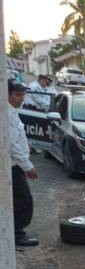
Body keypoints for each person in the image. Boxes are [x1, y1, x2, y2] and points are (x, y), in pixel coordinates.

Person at [8, 79, 39, 247]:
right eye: (17, 95)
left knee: (19, 201)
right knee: (24, 201)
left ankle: (14, 232)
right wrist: (28, 166)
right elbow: (12, 145)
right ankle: (17, 235)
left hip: (16, 165)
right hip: (14, 166)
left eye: (23, 95)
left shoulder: (12, 112)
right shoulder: (7, 114)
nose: (21, 98)